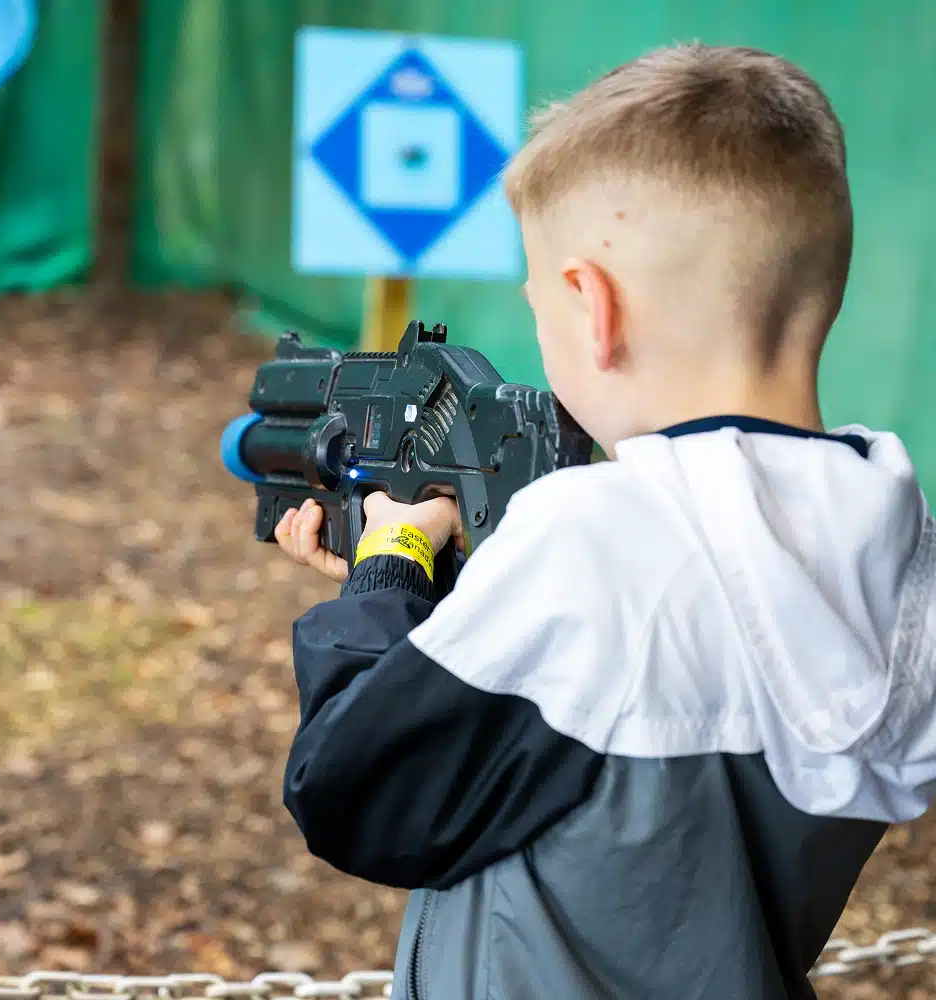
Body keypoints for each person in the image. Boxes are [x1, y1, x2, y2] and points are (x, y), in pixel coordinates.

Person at [271, 43, 936, 1000]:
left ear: (593, 307)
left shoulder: (593, 542)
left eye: (541, 304)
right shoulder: (891, 538)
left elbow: (353, 793)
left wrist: (390, 568)